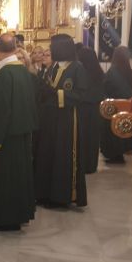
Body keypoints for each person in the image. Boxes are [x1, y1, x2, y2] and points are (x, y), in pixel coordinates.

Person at [0, 34, 38, 230]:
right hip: (22, 133)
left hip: (6, 137)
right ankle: (19, 214)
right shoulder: (23, 72)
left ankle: (5, 219)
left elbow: (0, 110)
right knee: (20, 177)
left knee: (6, 179)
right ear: (15, 49)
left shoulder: (3, 75)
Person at [34, 34, 88, 208]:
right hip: (49, 118)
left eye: (52, 46)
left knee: (62, 155)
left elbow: (81, 95)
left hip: (66, 120)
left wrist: (56, 93)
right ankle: (44, 193)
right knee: (47, 153)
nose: (49, 50)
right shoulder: (53, 66)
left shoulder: (77, 68)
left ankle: (62, 196)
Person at [100, 45, 132, 164]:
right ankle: (120, 153)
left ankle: (115, 155)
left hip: (113, 106)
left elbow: (106, 87)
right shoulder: (128, 70)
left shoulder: (113, 70)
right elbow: (131, 91)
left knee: (114, 131)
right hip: (125, 105)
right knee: (122, 128)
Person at [77, 46, 105, 173]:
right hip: (95, 109)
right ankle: (92, 165)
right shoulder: (99, 73)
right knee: (93, 138)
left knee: (82, 138)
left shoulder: (81, 72)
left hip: (82, 109)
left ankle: (82, 165)